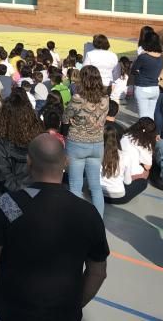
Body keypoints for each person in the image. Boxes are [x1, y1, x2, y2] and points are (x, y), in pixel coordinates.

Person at [0, 134, 109, 321]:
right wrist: (75, 304)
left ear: (29, 162)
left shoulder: (9, 205)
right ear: (65, 162)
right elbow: (98, 272)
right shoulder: (88, 213)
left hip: (11, 309)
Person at [63, 65, 109, 216]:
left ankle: (77, 224)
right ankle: (98, 223)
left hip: (77, 143)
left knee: (76, 186)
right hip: (97, 143)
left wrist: (72, 119)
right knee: (96, 187)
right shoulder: (105, 99)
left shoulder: (77, 99)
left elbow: (65, 117)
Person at [0, 90, 42, 194]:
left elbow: (3, 174)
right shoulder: (38, 135)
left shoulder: (2, 141)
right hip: (36, 190)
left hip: (13, 193)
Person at [100, 123, 147, 205]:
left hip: (96, 193)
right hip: (118, 197)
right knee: (143, 182)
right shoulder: (125, 156)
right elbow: (127, 182)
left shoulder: (96, 152)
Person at [131, 30, 163, 121]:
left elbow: (133, 70)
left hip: (142, 88)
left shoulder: (143, 56)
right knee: (151, 117)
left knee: (143, 117)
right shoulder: (161, 56)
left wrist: (139, 72)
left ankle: (144, 134)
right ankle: (151, 134)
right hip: (155, 88)